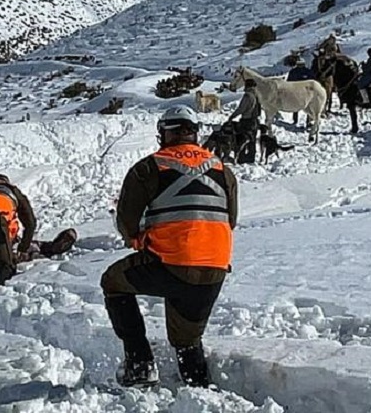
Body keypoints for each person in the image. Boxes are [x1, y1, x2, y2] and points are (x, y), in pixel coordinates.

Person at [101, 106, 239, 388]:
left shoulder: (149, 167)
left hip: (170, 265)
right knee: (186, 339)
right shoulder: (222, 170)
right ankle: (200, 389)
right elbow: (231, 219)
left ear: (164, 133)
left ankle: (140, 364)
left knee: (113, 283)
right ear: (194, 133)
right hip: (214, 270)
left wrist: (139, 240)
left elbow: (127, 223)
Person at [226, 79, 261, 164]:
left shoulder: (248, 95)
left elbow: (241, 109)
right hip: (255, 120)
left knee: (242, 139)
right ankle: (251, 157)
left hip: (246, 121)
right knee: (251, 140)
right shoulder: (257, 95)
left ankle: (242, 158)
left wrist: (232, 116)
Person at [286, 57, 315, 126]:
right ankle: (305, 121)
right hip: (302, 92)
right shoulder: (308, 71)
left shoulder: (294, 72)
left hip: (301, 92)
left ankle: (299, 120)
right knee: (306, 107)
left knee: (298, 107)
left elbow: (288, 82)